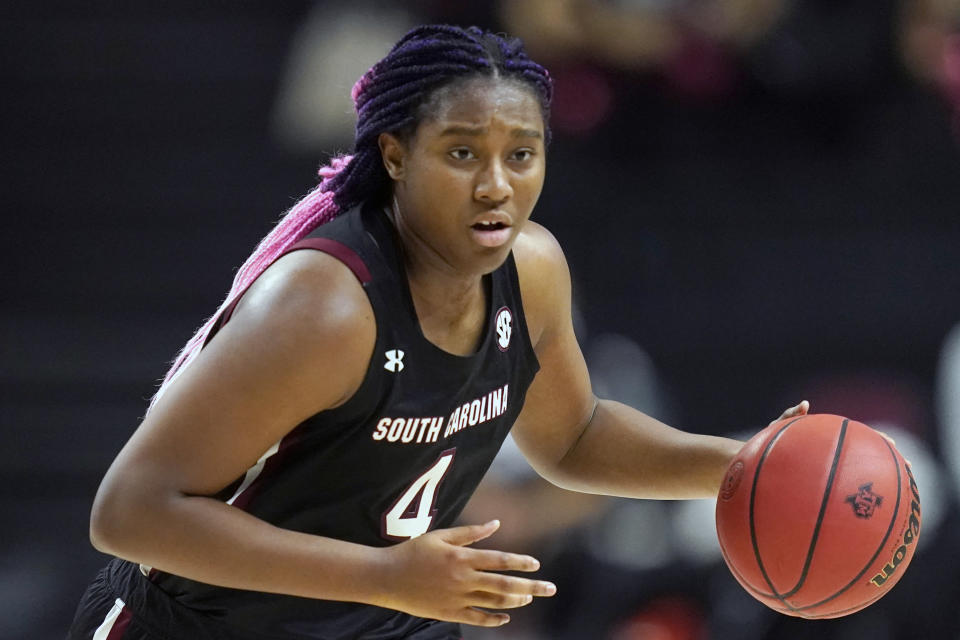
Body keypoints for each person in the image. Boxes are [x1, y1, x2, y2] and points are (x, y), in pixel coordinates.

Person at [67, 24, 807, 640]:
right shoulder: (325, 307)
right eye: (461, 154)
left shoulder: (534, 268)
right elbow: (129, 513)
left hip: (387, 621)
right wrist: (386, 575)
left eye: (521, 155)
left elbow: (573, 437)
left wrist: (738, 469)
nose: (496, 185)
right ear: (394, 156)